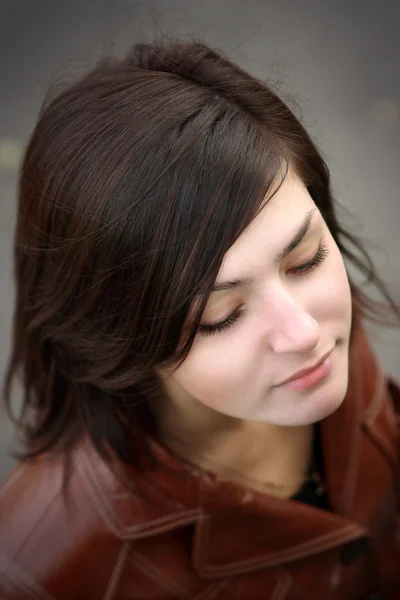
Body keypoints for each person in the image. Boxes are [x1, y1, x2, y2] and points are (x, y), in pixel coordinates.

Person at [0, 36, 399, 600]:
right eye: (221, 316)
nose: (306, 332)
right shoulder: (42, 571)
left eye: (305, 259)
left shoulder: (317, 339)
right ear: (116, 336)